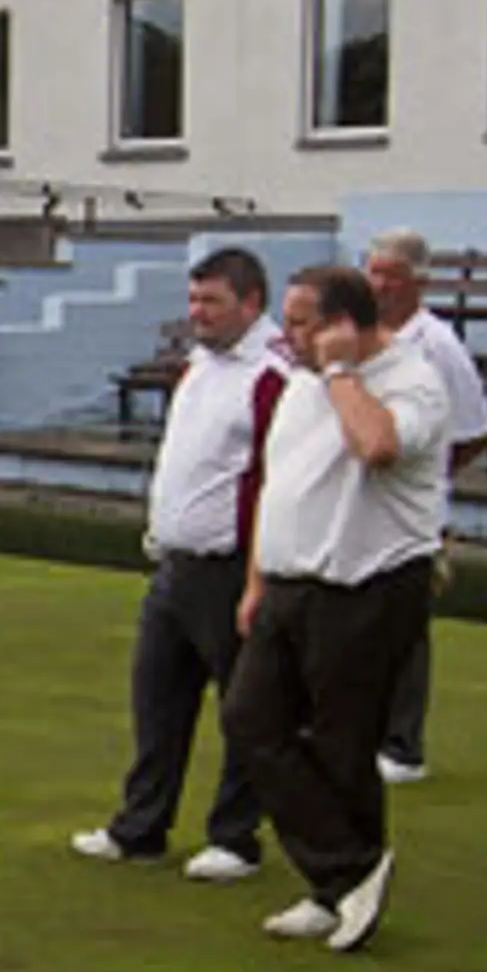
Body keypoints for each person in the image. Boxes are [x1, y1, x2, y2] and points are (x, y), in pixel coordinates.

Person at [226, 266, 448, 954]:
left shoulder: (413, 380)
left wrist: (343, 374)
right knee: (249, 717)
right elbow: (280, 484)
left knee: (341, 741)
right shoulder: (299, 384)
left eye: (301, 322)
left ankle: (337, 887)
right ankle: (347, 869)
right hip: (291, 582)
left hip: (371, 583)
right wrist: (257, 582)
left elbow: (378, 445)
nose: (286, 335)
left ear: (343, 326)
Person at [71, 248, 288, 881]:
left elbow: (276, 477)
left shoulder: (270, 375)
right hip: (173, 562)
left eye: (212, 302)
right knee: (157, 697)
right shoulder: (199, 364)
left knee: (242, 705)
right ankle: (141, 827)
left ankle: (235, 836)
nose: (198, 314)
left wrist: (260, 572)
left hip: (229, 566)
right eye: (193, 300)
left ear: (250, 304)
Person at [362, 229, 487, 786]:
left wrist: (428, 477)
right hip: (365, 502)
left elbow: (475, 431)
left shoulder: (438, 346)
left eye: (388, 274)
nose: (377, 284)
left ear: (418, 281)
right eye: (371, 271)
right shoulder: (364, 339)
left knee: (403, 624)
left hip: (412, 510)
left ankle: (402, 745)